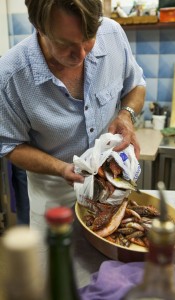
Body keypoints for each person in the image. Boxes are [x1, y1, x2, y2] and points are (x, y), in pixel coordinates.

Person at [0, 0, 146, 271]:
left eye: (88, 38)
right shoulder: (10, 75)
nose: (80, 54)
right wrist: (61, 168)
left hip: (112, 193)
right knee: (57, 282)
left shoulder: (112, 35)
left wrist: (126, 114)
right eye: (65, 43)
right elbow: (9, 145)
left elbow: (136, 84)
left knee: (112, 281)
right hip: (54, 197)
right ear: (38, 26)